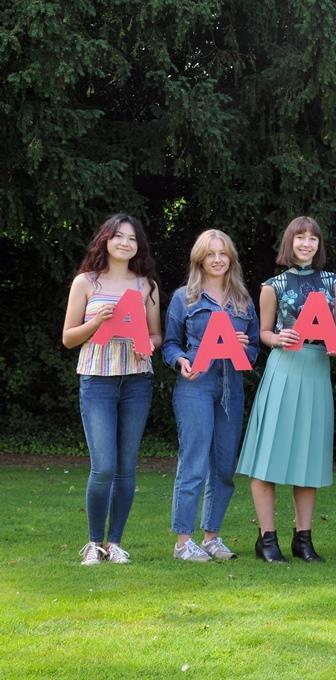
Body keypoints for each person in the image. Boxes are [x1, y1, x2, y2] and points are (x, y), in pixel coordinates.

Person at [236, 216, 336, 563]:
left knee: (308, 457)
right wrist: (276, 338)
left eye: (313, 238)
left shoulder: (334, 282)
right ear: (290, 242)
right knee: (268, 455)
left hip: (316, 369)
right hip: (284, 368)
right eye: (300, 237)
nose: (307, 243)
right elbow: (263, 333)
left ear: (319, 244)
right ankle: (267, 539)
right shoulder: (273, 285)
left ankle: (303, 538)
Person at [62, 214, 162, 565]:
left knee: (126, 467)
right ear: (105, 240)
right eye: (118, 236)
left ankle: (115, 542)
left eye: (132, 239)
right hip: (97, 381)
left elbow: (156, 336)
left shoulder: (146, 285)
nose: (125, 243)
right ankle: (93, 542)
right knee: (103, 466)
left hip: (136, 380)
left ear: (138, 246)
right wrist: (96, 322)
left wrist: (147, 345)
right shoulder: (86, 283)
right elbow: (68, 338)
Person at [163, 230, 260, 562]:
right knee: (193, 465)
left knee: (223, 467)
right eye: (210, 254)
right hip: (195, 386)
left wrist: (247, 348)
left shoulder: (243, 300)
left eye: (223, 253)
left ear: (230, 258)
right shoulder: (183, 298)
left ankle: (211, 537)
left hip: (231, 388)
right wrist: (180, 360)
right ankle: (183, 542)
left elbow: (254, 348)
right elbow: (170, 344)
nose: (217, 259)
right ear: (199, 259)